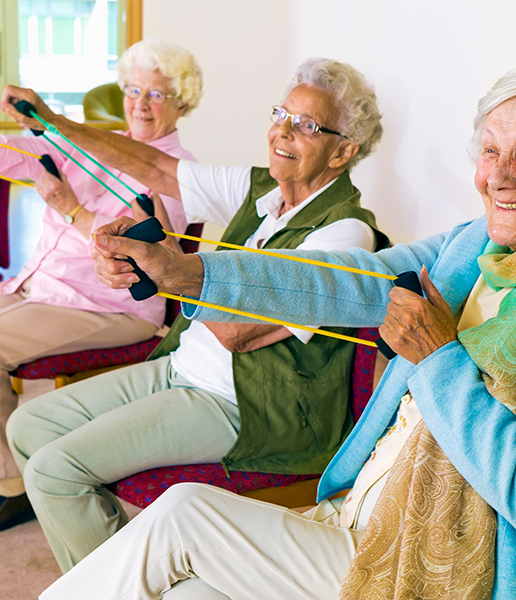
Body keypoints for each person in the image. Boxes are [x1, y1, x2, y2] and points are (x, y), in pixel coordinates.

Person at [19, 64, 516, 600]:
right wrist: (186, 272)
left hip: (442, 558)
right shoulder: (475, 243)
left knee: (182, 514)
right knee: (184, 591)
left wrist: (440, 356)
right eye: (491, 150)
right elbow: (342, 282)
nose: (497, 176)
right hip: (362, 511)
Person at [2, 57, 389, 573]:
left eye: (307, 125)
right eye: (281, 114)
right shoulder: (261, 192)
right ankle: (117, 563)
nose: (283, 131)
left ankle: (111, 580)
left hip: (245, 402)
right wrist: (55, 122)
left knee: (55, 471)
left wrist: (169, 265)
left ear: (343, 150)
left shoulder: (344, 234)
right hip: (183, 367)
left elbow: (237, 333)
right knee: (29, 425)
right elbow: (155, 167)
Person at [0, 37, 201, 528]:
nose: (141, 104)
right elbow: (11, 157)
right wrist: (22, 118)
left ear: (182, 102)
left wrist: (69, 206)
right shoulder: (92, 144)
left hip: (109, 308)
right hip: (42, 288)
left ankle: (13, 485)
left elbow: (136, 246)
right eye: (134, 90)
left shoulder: (178, 172)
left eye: (158, 94)